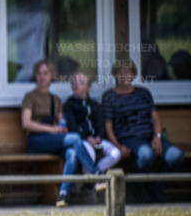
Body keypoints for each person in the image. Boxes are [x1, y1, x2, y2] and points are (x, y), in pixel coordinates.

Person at [102, 59, 186, 201]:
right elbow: (108, 126)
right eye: (120, 72)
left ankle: (156, 186)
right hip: (129, 137)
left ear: (133, 75)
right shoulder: (109, 97)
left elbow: (155, 118)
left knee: (176, 156)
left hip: (150, 136)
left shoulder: (144, 93)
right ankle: (136, 187)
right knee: (147, 156)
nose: (124, 75)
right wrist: (118, 146)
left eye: (127, 72)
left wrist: (157, 137)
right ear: (115, 75)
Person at [21, 59, 98, 207]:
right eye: (39, 73)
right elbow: (26, 123)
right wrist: (52, 130)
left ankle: (63, 194)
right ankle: (95, 173)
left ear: (51, 76)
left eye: (46, 73)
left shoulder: (55, 99)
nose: (42, 76)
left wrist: (61, 128)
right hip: (36, 141)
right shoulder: (29, 97)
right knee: (75, 138)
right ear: (35, 76)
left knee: (72, 153)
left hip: (53, 140)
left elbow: (60, 122)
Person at [63, 70, 120, 194]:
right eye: (74, 82)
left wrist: (99, 137)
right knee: (90, 154)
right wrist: (87, 138)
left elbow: (100, 123)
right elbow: (72, 127)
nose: (76, 85)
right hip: (83, 143)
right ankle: (95, 181)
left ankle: (87, 181)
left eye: (81, 82)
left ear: (88, 87)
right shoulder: (69, 105)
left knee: (115, 153)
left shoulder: (95, 105)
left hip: (97, 143)